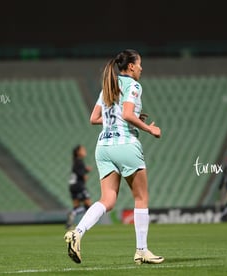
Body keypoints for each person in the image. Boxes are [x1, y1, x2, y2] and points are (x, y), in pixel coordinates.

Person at [64, 49, 164, 264]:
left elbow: (94, 118)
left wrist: (123, 119)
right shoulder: (134, 85)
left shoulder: (108, 86)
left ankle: (77, 232)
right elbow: (127, 114)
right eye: (139, 64)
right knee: (141, 198)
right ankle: (141, 250)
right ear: (130, 67)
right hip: (125, 144)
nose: (141, 68)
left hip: (104, 146)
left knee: (107, 200)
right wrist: (148, 129)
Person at [66, 144, 93, 229]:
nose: (85, 151)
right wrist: (85, 173)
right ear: (78, 152)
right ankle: (74, 214)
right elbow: (81, 174)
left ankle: (70, 221)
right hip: (79, 186)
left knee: (76, 206)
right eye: (83, 150)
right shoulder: (79, 161)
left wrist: (85, 170)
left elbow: (77, 171)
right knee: (88, 206)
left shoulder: (75, 161)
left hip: (72, 186)